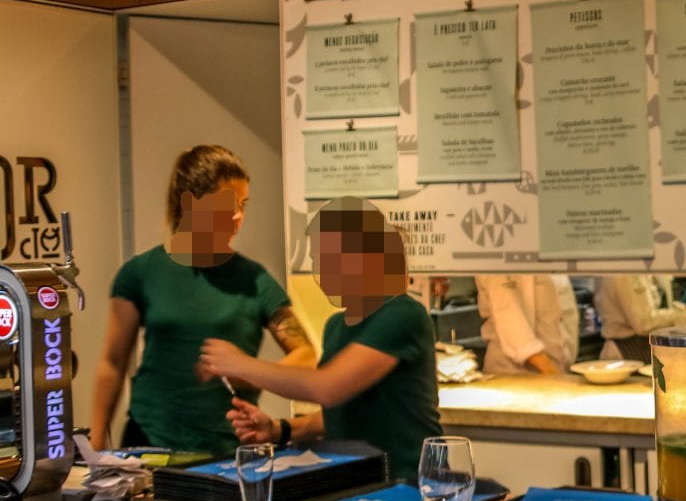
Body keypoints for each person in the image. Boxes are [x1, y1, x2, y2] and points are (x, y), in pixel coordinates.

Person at [89, 145, 315, 454]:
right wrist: (96, 444)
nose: (238, 216)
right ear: (190, 203)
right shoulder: (139, 273)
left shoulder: (254, 279)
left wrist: (250, 371)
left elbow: (307, 356)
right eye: (227, 205)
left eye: (243, 205)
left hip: (227, 449)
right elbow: (112, 363)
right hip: (150, 447)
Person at [201, 197, 442, 479]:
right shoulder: (335, 325)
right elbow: (340, 414)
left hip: (408, 485)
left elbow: (327, 388)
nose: (322, 272)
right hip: (356, 484)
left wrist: (239, 364)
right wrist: (278, 430)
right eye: (318, 260)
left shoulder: (402, 313)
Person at [474, 273, 579, 374]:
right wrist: (552, 373)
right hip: (515, 374)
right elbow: (512, 324)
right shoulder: (501, 267)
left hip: (555, 371)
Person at [594, 274, 686, 362]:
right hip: (625, 351)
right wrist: (679, 314)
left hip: (630, 348)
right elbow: (643, 323)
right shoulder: (628, 274)